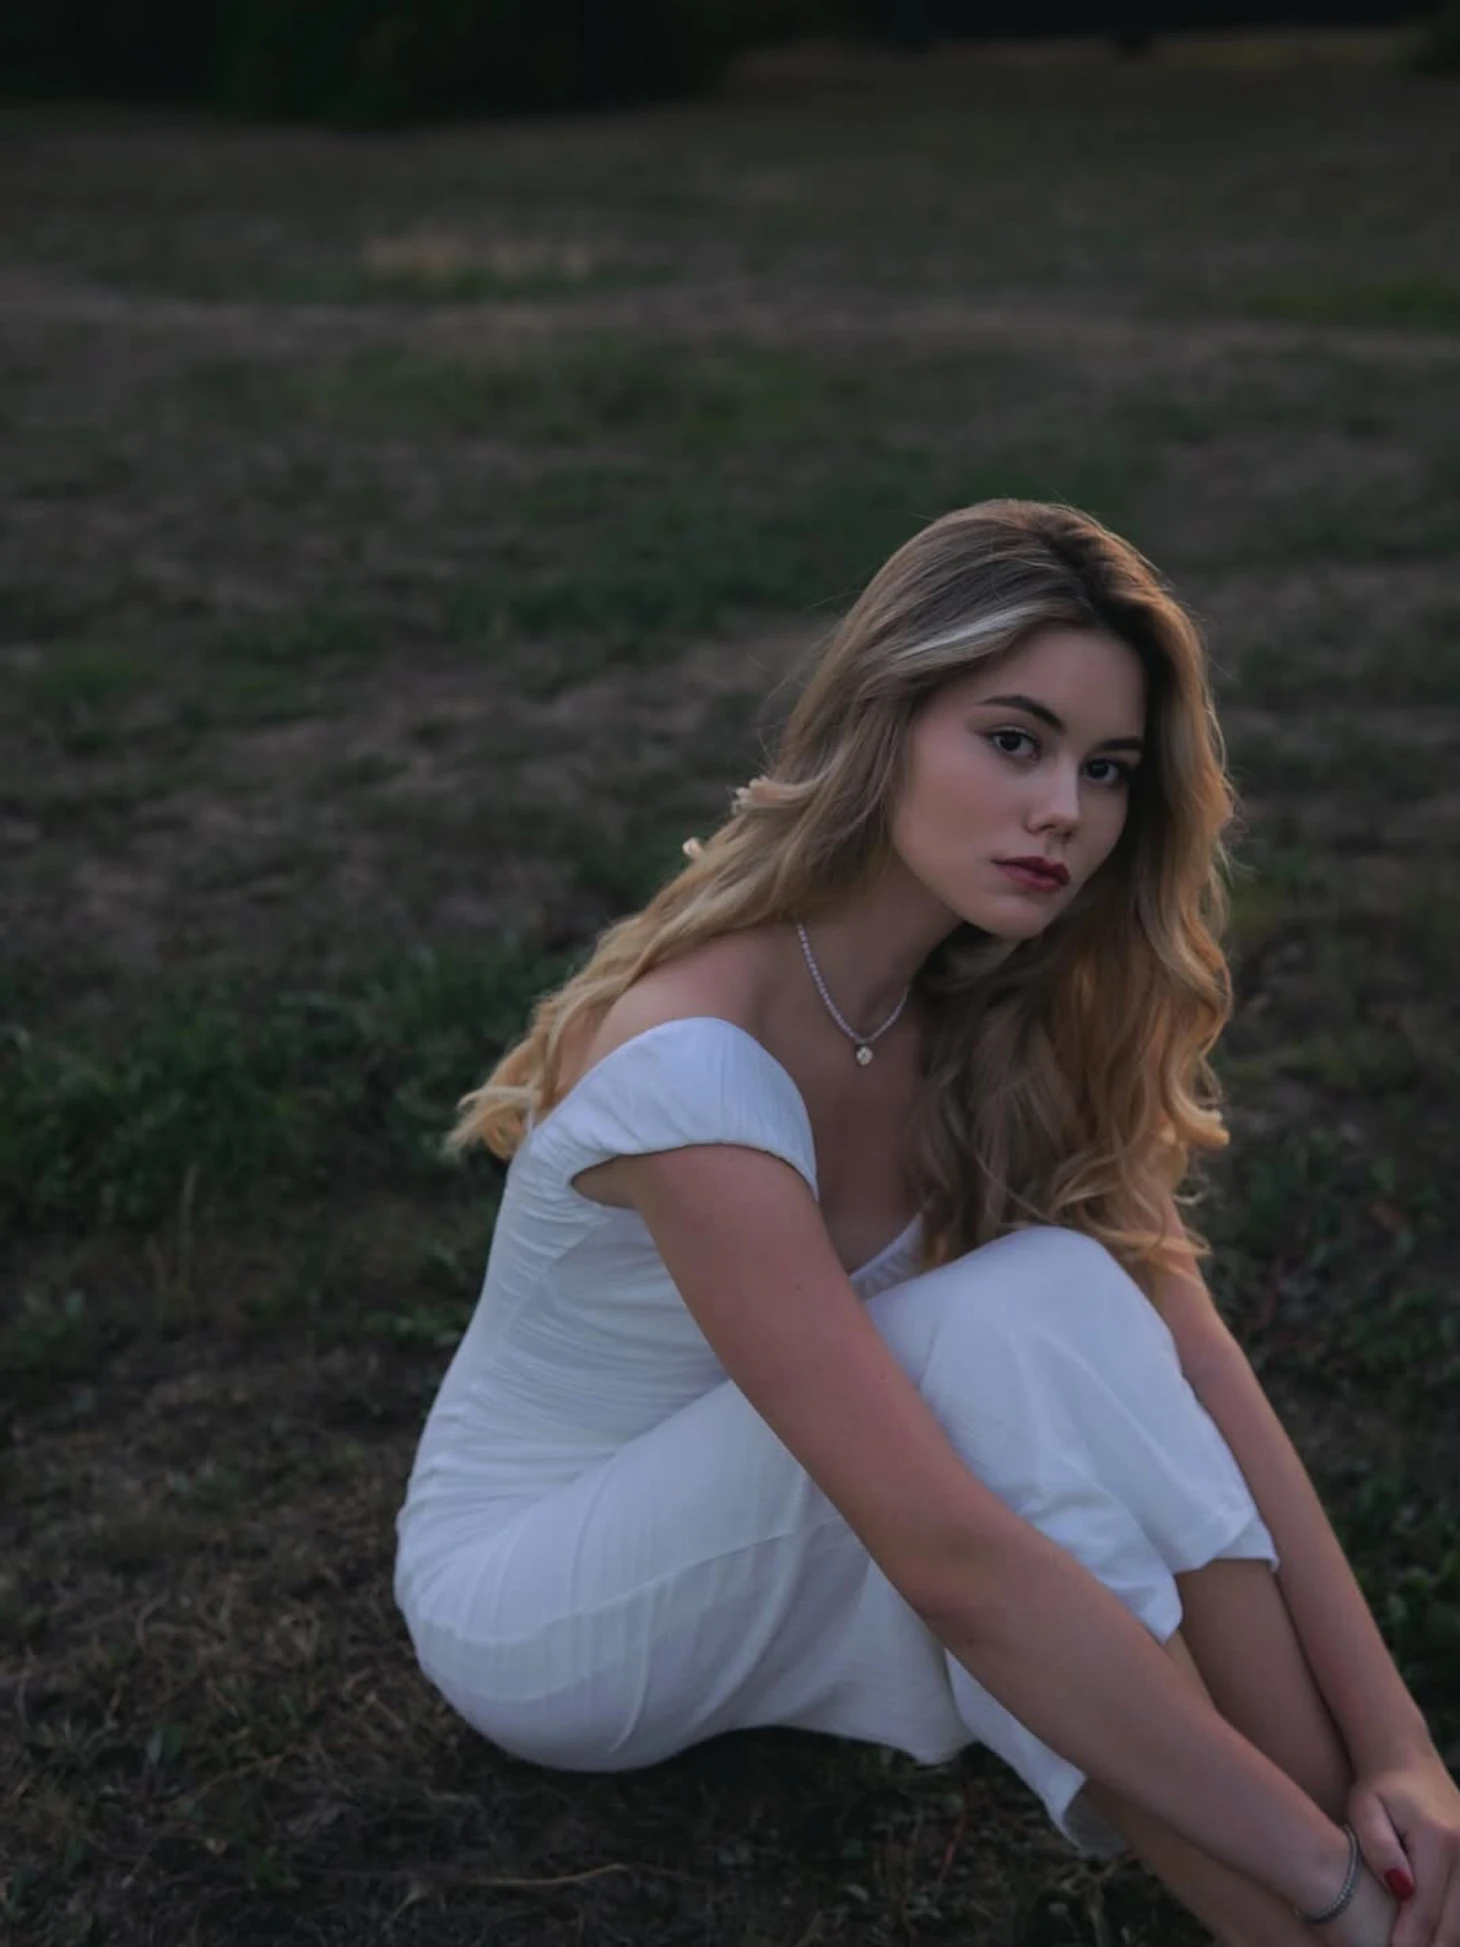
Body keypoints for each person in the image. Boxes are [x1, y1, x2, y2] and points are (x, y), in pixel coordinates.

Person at [394, 500, 1460, 1945]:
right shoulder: (693, 1063)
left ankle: (1395, 1891)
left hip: (805, 1509)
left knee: (1068, 1312)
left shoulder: (985, 1010)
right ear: (884, 721)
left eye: (1107, 769)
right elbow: (955, 1562)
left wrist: (1403, 1746)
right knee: (1024, 1331)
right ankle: (1353, 1913)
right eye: (1015, 741)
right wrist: (1318, 1870)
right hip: (545, 1603)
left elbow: (1196, 1365)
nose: (1064, 810)